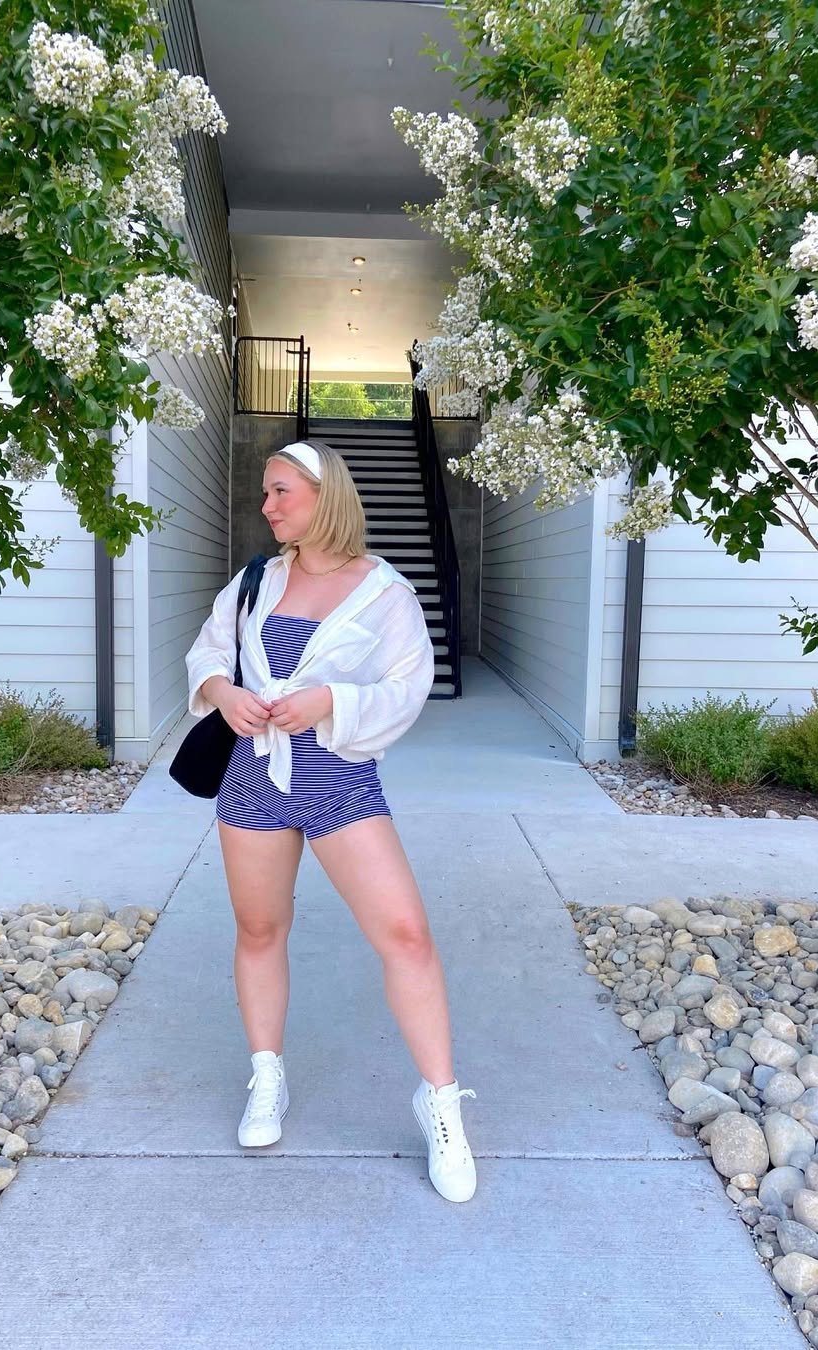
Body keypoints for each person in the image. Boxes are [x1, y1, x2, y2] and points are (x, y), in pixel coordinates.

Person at [184, 438, 477, 1203]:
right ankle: (267, 1078)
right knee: (259, 931)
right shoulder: (256, 580)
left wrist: (330, 702)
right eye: (265, 492)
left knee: (406, 936)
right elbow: (208, 654)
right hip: (251, 783)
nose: (267, 506)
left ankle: (442, 1106)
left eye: (281, 491)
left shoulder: (385, 592)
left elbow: (409, 687)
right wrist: (224, 693)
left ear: (325, 495)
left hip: (339, 783)